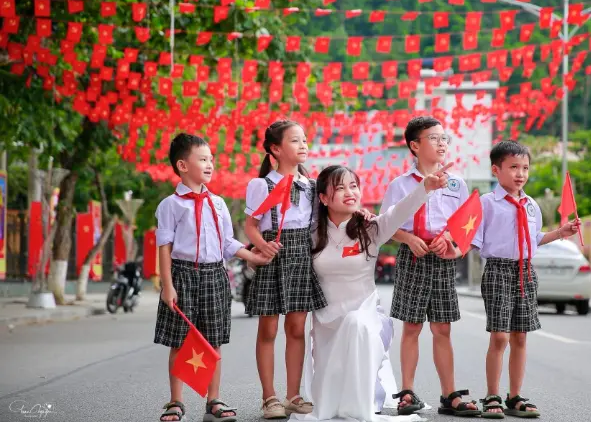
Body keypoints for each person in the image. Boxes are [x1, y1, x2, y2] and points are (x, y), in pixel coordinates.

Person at [297, 162, 453, 422]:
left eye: (354, 186)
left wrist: (425, 187)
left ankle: (365, 403)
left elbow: (399, 211)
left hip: (367, 317)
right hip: (325, 324)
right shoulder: (310, 234)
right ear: (323, 198)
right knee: (330, 406)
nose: (350, 192)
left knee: (356, 323)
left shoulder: (371, 228)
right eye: (340, 188)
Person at [154, 133, 272, 422]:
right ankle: (176, 402)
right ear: (182, 165)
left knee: (213, 340)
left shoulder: (217, 203)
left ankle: (213, 400)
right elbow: (164, 246)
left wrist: (252, 256)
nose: (210, 164)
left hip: (214, 276)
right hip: (182, 275)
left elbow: (227, 243)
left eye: (211, 159)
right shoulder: (170, 205)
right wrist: (168, 286)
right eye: (203, 159)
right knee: (179, 340)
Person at [470, 140, 580, 419]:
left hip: (526, 271)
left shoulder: (531, 205)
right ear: (496, 170)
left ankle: (514, 396)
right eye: (513, 167)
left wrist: (561, 232)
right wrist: (451, 248)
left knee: (520, 336)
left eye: (525, 168)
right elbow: (472, 240)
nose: (520, 174)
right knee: (500, 336)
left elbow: (534, 238)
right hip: (498, 270)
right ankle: (492, 395)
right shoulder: (486, 203)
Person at [380, 116, 480, 417]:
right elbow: (385, 225)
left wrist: (449, 238)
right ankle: (407, 392)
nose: (441, 144)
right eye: (434, 138)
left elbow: (465, 223)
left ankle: (449, 395)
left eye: (444, 138)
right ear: (415, 145)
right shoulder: (400, 185)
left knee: (442, 328)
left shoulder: (456, 183)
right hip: (413, 256)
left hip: (442, 258)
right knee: (411, 326)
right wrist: (409, 238)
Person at [244, 120, 327, 419]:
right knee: (268, 329)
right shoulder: (261, 185)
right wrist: (261, 246)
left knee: (296, 328)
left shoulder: (312, 186)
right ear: (276, 149)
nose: (303, 145)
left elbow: (318, 225)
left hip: (302, 256)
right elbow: (251, 225)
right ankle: (269, 397)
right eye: (295, 140)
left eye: (304, 140)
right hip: (273, 256)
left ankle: (293, 396)